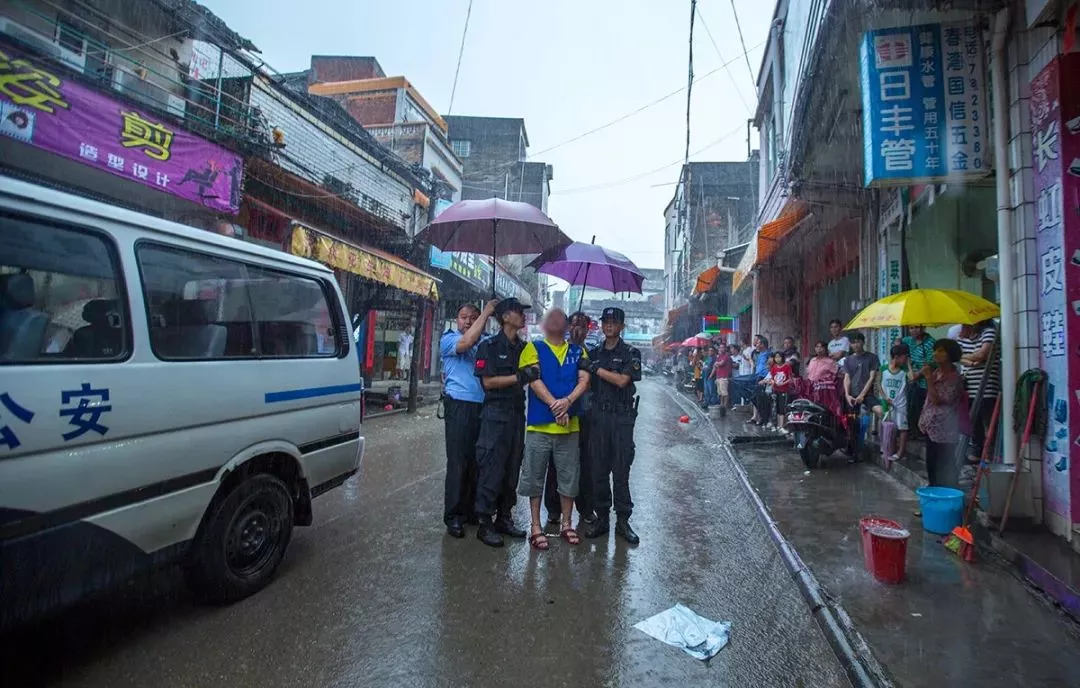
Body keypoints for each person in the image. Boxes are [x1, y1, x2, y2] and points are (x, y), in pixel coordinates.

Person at [517, 309, 591, 550]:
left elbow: (584, 380)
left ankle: (567, 523)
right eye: (552, 317)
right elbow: (533, 379)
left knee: (569, 476)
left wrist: (568, 402)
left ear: (568, 325)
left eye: (561, 317)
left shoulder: (579, 351)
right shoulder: (533, 348)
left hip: (570, 427)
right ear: (544, 324)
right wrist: (555, 405)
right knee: (534, 476)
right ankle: (536, 526)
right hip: (539, 425)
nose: (556, 320)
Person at [473, 298, 533, 548]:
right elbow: (488, 382)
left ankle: (504, 517)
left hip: (517, 415)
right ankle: (485, 522)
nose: (523, 316)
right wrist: (517, 377)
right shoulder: (488, 346)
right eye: (519, 312)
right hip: (495, 415)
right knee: (492, 468)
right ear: (505, 317)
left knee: (511, 467)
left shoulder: (525, 348)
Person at [585, 307, 642, 544]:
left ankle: (622, 521)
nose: (609, 325)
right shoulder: (594, 352)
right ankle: (602, 518)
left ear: (622, 326)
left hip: (621, 419)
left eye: (614, 322)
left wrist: (595, 368)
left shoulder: (631, 352)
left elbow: (621, 381)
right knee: (598, 470)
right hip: (598, 418)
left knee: (621, 470)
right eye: (605, 321)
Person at [440, 300, 498, 538]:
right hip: (459, 405)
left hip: (483, 406)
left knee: (478, 461)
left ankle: (473, 510)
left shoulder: (485, 342)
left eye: (473, 318)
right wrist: (486, 312)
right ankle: (453, 515)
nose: (468, 321)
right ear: (457, 319)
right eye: (464, 317)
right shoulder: (449, 339)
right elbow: (466, 343)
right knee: (458, 462)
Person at [543, 311, 595, 527]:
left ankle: (585, 508)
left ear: (587, 330)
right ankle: (553, 510)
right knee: (556, 464)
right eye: (573, 325)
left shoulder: (591, 353)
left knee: (584, 463)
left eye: (582, 326)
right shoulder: (558, 351)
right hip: (560, 415)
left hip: (585, 416)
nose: (577, 330)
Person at [918, 339, 966, 493]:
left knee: (944, 468)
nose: (935, 354)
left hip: (944, 429)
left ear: (950, 354)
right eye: (935, 350)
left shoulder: (954, 378)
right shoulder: (936, 372)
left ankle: (946, 501)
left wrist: (928, 379)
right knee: (931, 466)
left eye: (940, 350)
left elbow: (937, 399)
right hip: (931, 427)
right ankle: (933, 499)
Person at [959, 320, 1001, 464]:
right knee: (973, 422)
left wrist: (968, 357)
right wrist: (972, 361)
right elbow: (958, 357)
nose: (961, 327)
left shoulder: (988, 332)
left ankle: (990, 453)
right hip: (968, 387)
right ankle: (977, 451)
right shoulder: (962, 339)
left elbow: (983, 354)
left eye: (964, 324)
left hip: (987, 387)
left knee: (988, 421)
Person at [842, 332, 883, 460]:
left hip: (867, 395)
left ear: (863, 342)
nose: (856, 344)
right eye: (853, 342)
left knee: (881, 411)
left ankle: (884, 444)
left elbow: (872, 378)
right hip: (852, 397)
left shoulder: (872, 357)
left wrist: (862, 395)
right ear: (850, 344)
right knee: (852, 423)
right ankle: (854, 453)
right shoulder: (848, 360)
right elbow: (847, 378)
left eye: (858, 341)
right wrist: (847, 395)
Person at [879, 343, 911, 463]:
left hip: (901, 403)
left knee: (903, 428)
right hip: (887, 402)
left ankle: (900, 452)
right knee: (888, 427)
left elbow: (912, 378)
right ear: (896, 357)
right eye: (904, 357)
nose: (905, 359)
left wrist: (908, 365)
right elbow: (879, 384)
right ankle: (889, 449)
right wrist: (884, 397)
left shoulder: (904, 370)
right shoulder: (883, 369)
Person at [902, 325, 936, 439]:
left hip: (926, 380)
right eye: (911, 328)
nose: (914, 330)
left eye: (917, 327)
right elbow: (899, 343)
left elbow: (932, 363)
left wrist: (917, 375)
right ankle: (913, 432)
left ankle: (924, 433)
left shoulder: (931, 342)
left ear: (923, 328)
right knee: (911, 406)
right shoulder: (908, 341)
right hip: (912, 380)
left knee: (923, 407)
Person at [768, 351, 795, 431]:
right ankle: (776, 425)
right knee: (775, 407)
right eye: (776, 357)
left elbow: (790, 379)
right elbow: (772, 378)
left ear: (782, 358)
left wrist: (783, 383)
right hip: (775, 389)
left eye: (779, 357)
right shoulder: (774, 367)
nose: (777, 359)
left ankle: (781, 425)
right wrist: (773, 382)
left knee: (782, 407)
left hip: (784, 390)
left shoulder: (787, 367)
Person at [713, 345, 733, 410]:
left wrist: (717, 363)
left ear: (725, 349)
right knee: (720, 393)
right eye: (720, 347)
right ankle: (721, 405)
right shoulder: (719, 356)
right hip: (719, 376)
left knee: (725, 393)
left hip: (724, 377)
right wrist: (717, 363)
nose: (721, 349)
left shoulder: (726, 356)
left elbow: (721, 363)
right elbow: (715, 365)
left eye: (722, 348)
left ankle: (725, 406)